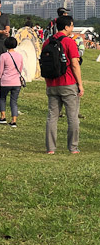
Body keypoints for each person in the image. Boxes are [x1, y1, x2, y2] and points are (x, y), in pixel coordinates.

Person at [42, 15, 83, 154]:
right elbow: (75, 64)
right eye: (71, 25)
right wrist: (80, 85)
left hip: (51, 84)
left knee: (52, 116)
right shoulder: (69, 42)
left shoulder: (46, 42)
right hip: (68, 83)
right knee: (72, 117)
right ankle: (73, 147)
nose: (72, 28)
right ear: (66, 26)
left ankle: (50, 148)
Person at [0, 37, 24, 128]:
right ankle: (14, 120)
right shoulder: (20, 56)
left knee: (2, 98)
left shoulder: (3, 56)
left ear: (5, 45)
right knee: (13, 101)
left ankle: (3, 117)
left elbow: (0, 71)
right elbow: (20, 69)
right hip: (16, 82)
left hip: (6, 81)